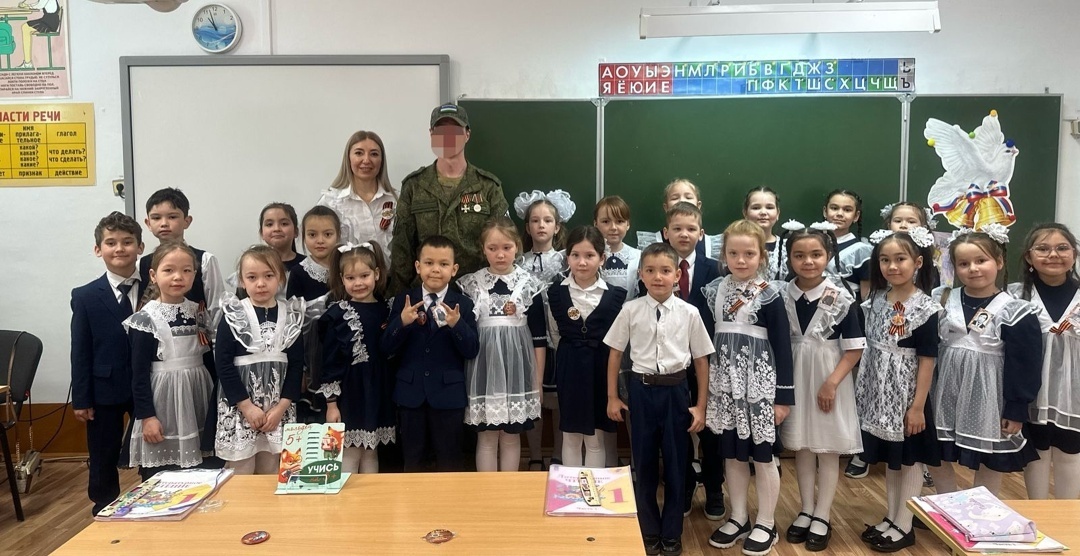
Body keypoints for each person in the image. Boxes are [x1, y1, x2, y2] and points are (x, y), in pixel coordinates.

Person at [604, 242, 713, 556]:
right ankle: (649, 528)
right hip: (641, 392)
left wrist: (700, 406)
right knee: (644, 462)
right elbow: (615, 354)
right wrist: (613, 397)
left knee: (677, 465)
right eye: (650, 270)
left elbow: (701, 361)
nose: (658, 277)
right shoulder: (631, 310)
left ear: (677, 275)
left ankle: (672, 532)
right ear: (640, 274)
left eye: (665, 270)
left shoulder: (690, 313)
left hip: (676, 393)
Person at [704, 219, 794, 556]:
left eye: (749, 254)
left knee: (763, 455)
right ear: (724, 255)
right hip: (725, 387)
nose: (741, 260)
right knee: (731, 452)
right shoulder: (714, 290)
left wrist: (782, 398)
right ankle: (739, 516)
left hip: (759, 389)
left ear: (761, 256)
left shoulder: (769, 295)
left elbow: (783, 347)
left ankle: (766, 523)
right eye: (733, 253)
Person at [929, 229, 1041, 496]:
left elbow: (1025, 364)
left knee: (990, 457)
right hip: (943, 393)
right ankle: (946, 503)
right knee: (936, 452)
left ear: (999, 262)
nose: (973, 269)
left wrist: (1016, 408)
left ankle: (982, 509)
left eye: (981, 261)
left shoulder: (1015, 310)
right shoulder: (941, 299)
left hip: (990, 398)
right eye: (964, 263)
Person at [776, 222, 865, 553]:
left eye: (816, 254)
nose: (808, 261)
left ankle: (823, 514)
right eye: (799, 255)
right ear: (789, 258)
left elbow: (854, 349)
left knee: (827, 449)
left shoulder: (841, 297)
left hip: (829, 379)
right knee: (802, 447)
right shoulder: (781, 294)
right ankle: (805, 509)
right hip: (794, 377)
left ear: (828, 255)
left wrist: (831, 383)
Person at [857, 228, 942, 552]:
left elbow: (927, 359)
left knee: (910, 459)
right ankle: (891, 517)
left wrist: (917, 407)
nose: (892, 266)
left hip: (908, 396)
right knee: (892, 460)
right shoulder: (877, 300)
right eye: (885, 260)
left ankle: (905, 524)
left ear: (917, 262)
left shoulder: (925, 308)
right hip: (879, 394)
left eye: (900, 259)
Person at [389, 103, 509, 296]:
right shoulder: (414, 185)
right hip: (426, 293)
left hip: (476, 294)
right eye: (440, 131)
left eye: (454, 131)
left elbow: (506, 242)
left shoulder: (488, 187)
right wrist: (398, 299)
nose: (447, 138)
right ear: (431, 134)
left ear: (467, 134)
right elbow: (402, 249)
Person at [383, 235, 480, 472]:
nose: (436, 269)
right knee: (412, 461)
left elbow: (471, 350)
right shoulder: (403, 301)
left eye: (443, 264)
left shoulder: (463, 304)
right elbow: (386, 348)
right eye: (429, 263)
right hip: (410, 395)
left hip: (448, 396)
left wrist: (457, 325)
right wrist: (401, 323)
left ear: (454, 269)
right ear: (418, 266)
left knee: (450, 461)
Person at [457, 217, 546, 472]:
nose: (500, 254)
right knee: (486, 437)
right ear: (483, 249)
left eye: (506, 247)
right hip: (482, 371)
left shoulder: (529, 285)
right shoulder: (471, 285)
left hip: (517, 373)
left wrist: (537, 382)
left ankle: (509, 490)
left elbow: (539, 340)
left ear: (517, 246)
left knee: (511, 436)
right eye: (492, 248)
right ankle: (487, 491)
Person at [654, 202, 724, 522]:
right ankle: (682, 485)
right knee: (676, 431)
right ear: (666, 233)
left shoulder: (716, 269)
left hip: (707, 362)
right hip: (671, 365)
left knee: (710, 431)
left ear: (702, 233)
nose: (684, 234)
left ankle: (714, 488)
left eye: (691, 228)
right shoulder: (657, 268)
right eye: (677, 228)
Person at [70, 212, 144, 515]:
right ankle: (103, 507)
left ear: (140, 247)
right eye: (111, 242)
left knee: (151, 446)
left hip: (147, 385)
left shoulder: (156, 287)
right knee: (103, 451)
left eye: (127, 242)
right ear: (98, 249)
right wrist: (82, 398)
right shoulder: (85, 296)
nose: (120, 248)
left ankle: (152, 499)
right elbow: (80, 349)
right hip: (104, 388)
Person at [125, 241, 216, 481]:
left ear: (194, 275)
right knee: (165, 472)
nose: (178, 277)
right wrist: (147, 417)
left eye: (186, 270)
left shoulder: (198, 311)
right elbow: (138, 373)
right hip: (164, 401)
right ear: (153, 275)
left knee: (204, 469)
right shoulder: (146, 318)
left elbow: (209, 359)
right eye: (169, 270)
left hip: (199, 395)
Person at [214, 246, 304, 475]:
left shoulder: (291, 317)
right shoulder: (233, 315)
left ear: (280, 278)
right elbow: (223, 364)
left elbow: (296, 366)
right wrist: (246, 407)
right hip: (241, 411)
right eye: (252, 277)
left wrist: (281, 408)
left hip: (277, 412)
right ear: (242, 281)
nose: (261, 283)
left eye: (268, 276)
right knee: (240, 471)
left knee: (271, 470)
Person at [546, 226, 626, 468]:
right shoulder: (556, 293)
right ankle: (572, 487)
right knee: (570, 435)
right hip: (569, 367)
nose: (582, 262)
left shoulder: (615, 296)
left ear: (602, 258)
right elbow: (554, 333)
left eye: (589, 255)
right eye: (575, 255)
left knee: (595, 437)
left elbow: (617, 340)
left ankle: (593, 489)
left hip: (600, 368)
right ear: (567, 258)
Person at [1010, 223, 1080, 500]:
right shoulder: (1014, 296)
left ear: (1074, 254)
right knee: (1036, 453)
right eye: (1043, 248)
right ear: (1029, 257)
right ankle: (1038, 515)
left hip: (1074, 394)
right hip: (1031, 393)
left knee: (1070, 452)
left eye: (1062, 248)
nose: (1053, 255)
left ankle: (1068, 518)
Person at [316, 242, 396, 474]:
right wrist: (332, 404)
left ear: (377, 274)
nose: (358, 283)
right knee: (350, 451)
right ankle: (347, 496)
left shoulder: (388, 310)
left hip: (378, 391)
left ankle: (371, 496)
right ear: (342, 279)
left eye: (364, 276)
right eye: (351, 278)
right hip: (351, 394)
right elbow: (330, 363)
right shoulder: (338, 314)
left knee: (371, 450)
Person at [517, 189, 574, 470]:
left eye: (548, 220)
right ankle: (536, 455)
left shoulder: (566, 260)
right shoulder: (517, 261)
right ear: (527, 227)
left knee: (560, 399)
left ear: (557, 226)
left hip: (560, 339)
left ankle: (559, 455)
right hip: (527, 339)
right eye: (535, 220)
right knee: (534, 397)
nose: (541, 225)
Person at [594, 195, 640, 467]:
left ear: (628, 225)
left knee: (631, 402)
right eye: (606, 221)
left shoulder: (638, 257)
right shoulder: (589, 255)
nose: (613, 227)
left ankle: (636, 462)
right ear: (595, 224)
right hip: (597, 338)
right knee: (604, 399)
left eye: (620, 221)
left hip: (632, 342)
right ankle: (608, 463)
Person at [138, 187, 225, 330]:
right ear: (148, 223)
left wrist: (215, 340)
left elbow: (217, 309)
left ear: (187, 221)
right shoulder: (141, 264)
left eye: (172, 217)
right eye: (156, 218)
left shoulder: (205, 260)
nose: (164, 223)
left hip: (198, 337)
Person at [285, 205, 341, 423]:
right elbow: (293, 322)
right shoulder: (299, 272)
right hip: (312, 352)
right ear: (302, 236)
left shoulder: (345, 266)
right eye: (312, 235)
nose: (320, 241)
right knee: (315, 415)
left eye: (327, 234)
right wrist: (300, 368)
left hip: (342, 348)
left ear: (338, 235)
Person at [316, 131, 397, 264]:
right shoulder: (331, 202)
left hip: (391, 276)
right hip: (346, 276)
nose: (366, 160)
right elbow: (318, 247)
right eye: (359, 153)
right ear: (348, 158)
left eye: (374, 154)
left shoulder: (396, 201)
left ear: (381, 160)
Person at [635, 178, 723, 258]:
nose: (682, 201)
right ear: (666, 207)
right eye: (675, 198)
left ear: (698, 205)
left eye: (688, 197)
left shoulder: (710, 247)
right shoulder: (652, 244)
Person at [821, 189, 872, 301]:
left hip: (848, 309)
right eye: (834, 208)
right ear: (825, 211)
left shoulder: (862, 252)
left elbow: (866, 299)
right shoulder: (808, 243)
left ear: (856, 216)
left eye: (847, 210)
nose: (839, 214)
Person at [743, 186, 785, 281]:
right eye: (756, 208)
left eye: (769, 207)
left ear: (778, 213)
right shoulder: (733, 245)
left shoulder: (787, 247)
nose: (763, 212)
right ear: (745, 213)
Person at [258, 202, 305, 276]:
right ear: (261, 233)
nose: (276, 229)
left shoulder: (307, 266)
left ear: (295, 231)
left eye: (284, 224)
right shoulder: (254, 263)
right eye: (269, 224)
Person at [14, 0, 59, 70]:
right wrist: (27, 6)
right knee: (25, 27)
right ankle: (27, 63)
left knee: (25, 28)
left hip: (49, 23)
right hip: (49, 21)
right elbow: (39, 4)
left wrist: (27, 6)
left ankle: (28, 63)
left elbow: (39, 5)